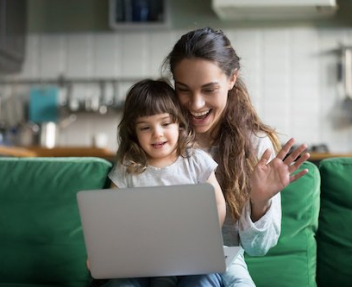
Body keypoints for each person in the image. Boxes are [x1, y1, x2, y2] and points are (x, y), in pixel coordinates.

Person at [161, 27, 310, 286]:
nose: (196, 104)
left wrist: (259, 201)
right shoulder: (161, 140)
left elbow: (258, 248)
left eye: (209, 89)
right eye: (184, 89)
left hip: (222, 266)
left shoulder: (255, 145)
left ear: (232, 79)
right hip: (162, 264)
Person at [91, 78, 226, 287]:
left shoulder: (195, 160)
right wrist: (104, 253)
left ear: (179, 123)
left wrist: (206, 242)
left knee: (203, 281)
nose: (157, 134)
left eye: (165, 123)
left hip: (189, 259)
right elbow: (111, 217)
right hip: (140, 261)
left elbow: (216, 203)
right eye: (145, 127)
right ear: (133, 133)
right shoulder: (128, 168)